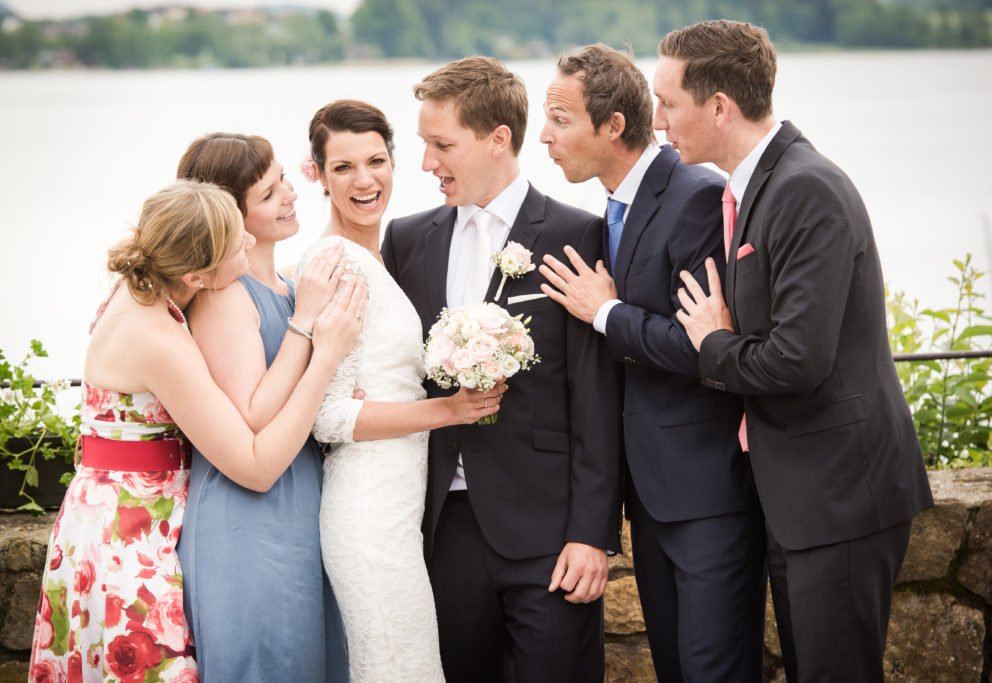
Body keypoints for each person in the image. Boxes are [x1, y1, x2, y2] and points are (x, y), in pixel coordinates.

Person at [657, 20, 934, 682]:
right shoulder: (753, 187)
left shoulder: (804, 188)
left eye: (668, 102)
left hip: (839, 496)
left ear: (719, 105)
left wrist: (713, 343)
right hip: (801, 496)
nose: (658, 118)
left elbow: (797, 361)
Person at [29, 179, 364, 682]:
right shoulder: (157, 338)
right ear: (196, 275)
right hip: (132, 535)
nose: (250, 243)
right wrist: (326, 355)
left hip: (101, 516)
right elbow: (256, 466)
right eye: (237, 244)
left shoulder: (140, 284)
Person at [380, 57, 624, 683]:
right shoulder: (406, 240)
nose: (428, 163)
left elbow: (597, 397)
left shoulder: (579, 235)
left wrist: (592, 534)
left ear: (498, 140)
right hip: (443, 527)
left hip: (549, 530)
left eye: (442, 145)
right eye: (424, 146)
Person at [537, 44, 766, 682]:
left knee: (713, 669)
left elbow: (708, 348)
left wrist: (605, 313)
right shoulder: (605, 212)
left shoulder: (694, 194)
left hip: (707, 492)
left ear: (613, 126)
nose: (544, 137)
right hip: (650, 498)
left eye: (560, 118)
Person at [295, 99, 507, 682]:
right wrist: (448, 409)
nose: (365, 180)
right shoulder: (336, 265)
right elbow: (330, 416)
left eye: (376, 160)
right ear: (316, 174)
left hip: (398, 507)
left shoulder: (375, 255)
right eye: (343, 168)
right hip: (368, 509)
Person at [174, 133, 353, 682]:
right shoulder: (226, 296)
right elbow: (250, 413)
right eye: (271, 192)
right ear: (231, 216)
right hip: (249, 518)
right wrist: (315, 334)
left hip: (300, 502)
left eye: (284, 180)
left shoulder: (292, 284)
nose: (292, 194)